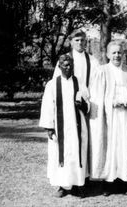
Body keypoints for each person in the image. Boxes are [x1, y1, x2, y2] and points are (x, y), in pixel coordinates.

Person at [89, 41, 127, 196]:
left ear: (124, 54)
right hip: (109, 118)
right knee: (111, 148)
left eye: (119, 52)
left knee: (125, 146)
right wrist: (111, 102)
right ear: (107, 54)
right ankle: (109, 183)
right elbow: (96, 97)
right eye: (113, 53)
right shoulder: (102, 71)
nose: (117, 56)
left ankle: (125, 182)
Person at [39, 54, 90, 198]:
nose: (68, 68)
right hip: (60, 127)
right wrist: (49, 127)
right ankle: (61, 185)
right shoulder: (52, 84)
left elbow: (88, 103)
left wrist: (83, 105)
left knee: (77, 154)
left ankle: (79, 185)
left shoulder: (79, 82)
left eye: (70, 65)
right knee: (59, 155)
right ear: (59, 66)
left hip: (77, 126)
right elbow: (47, 106)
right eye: (65, 65)